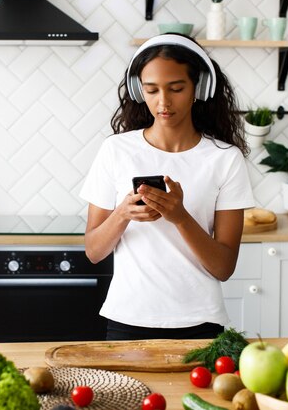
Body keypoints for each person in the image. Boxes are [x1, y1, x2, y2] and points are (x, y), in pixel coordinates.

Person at [79, 33, 255, 341]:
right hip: (127, 320)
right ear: (139, 90)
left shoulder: (225, 159)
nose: (163, 102)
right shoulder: (116, 150)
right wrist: (122, 214)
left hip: (201, 323)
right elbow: (94, 251)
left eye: (176, 88)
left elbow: (223, 267)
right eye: (151, 90)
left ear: (199, 88)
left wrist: (181, 217)